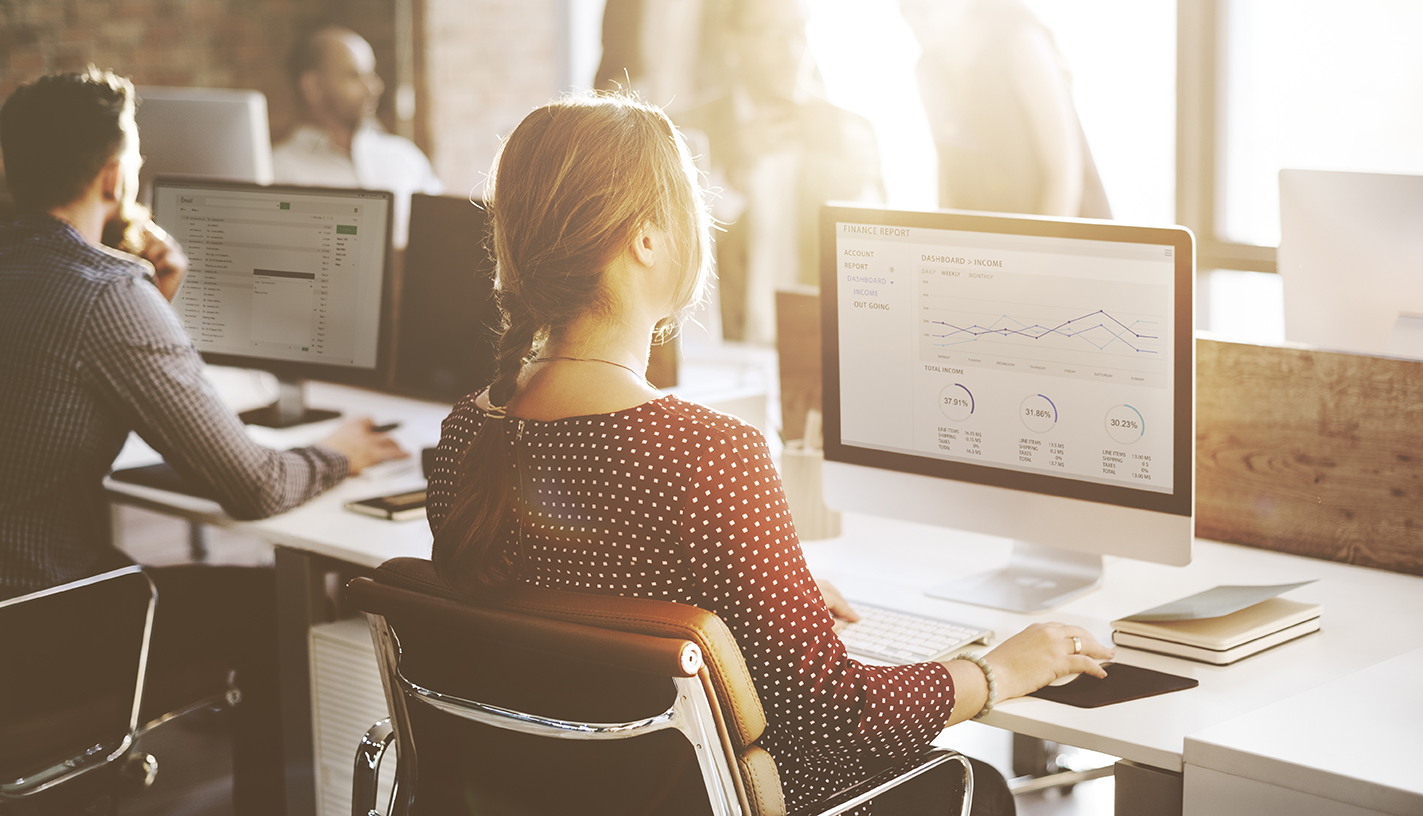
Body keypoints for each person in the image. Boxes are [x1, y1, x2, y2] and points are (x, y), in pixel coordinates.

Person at [424, 93, 1114, 815]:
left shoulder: (467, 435)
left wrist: (749, 597)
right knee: (978, 785)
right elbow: (834, 717)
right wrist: (998, 668)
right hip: (710, 799)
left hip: (556, 796)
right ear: (646, 241)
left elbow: (584, 613)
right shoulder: (705, 454)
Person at [0, 68, 406, 813]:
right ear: (115, 174)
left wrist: (152, 305)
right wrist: (343, 451)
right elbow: (256, 486)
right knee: (277, 611)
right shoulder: (107, 294)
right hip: (44, 632)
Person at [674, 0, 885, 343]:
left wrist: (857, 195)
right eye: (774, 34)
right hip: (718, 352)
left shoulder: (849, 131)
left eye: (799, 31)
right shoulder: (689, 131)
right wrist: (731, 178)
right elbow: (671, 260)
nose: (793, 50)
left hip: (816, 351)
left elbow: (880, 267)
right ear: (732, 40)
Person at [899, 0, 1112, 219]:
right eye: (905, 7)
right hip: (994, 238)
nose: (912, 18)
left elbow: (1064, 174)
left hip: (1064, 230)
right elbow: (949, 170)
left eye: (924, 6)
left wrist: (1036, 250)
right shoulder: (927, 69)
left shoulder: (1020, 40)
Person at [273, 25, 443, 248]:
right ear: (313, 86)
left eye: (371, 74)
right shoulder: (277, 172)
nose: (375, 87)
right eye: (355, 76)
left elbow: (447, 235)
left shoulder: (406, 157)